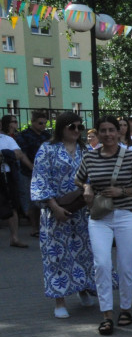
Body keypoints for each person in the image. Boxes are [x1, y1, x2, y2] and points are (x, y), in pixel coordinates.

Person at [77, 116, 132, 335]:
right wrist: (87, 186)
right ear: (97, 133)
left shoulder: (130, 156)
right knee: (102, 264)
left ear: (118, 133)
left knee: (126, 265)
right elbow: (79, 178)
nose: (107, 134)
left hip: (125, 215)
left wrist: (121, 192)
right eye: (103, 131)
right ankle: (106, 314)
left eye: (111, 130)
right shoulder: (90, 156)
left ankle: (125, 308)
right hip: (99, 217)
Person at [29, 112, 96, 317]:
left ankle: (84, 288)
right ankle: (60, 301)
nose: (76, 131)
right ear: (61, 128)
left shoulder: (86, 150)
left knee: (85, 253)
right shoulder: (47, 149)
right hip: (55, 211)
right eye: (72, 127)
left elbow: (94, 175)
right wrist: (54, 207)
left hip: (82, 211)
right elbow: (40, 179)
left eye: (79, 127)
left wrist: (89, 190)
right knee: (57, 256)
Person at [0, 116, 30, 248]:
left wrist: (3, 154)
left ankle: (14, 238)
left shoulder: (7, 139)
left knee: (13, 205)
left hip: (7, 174)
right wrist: (7, 154)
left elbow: (18, 154)